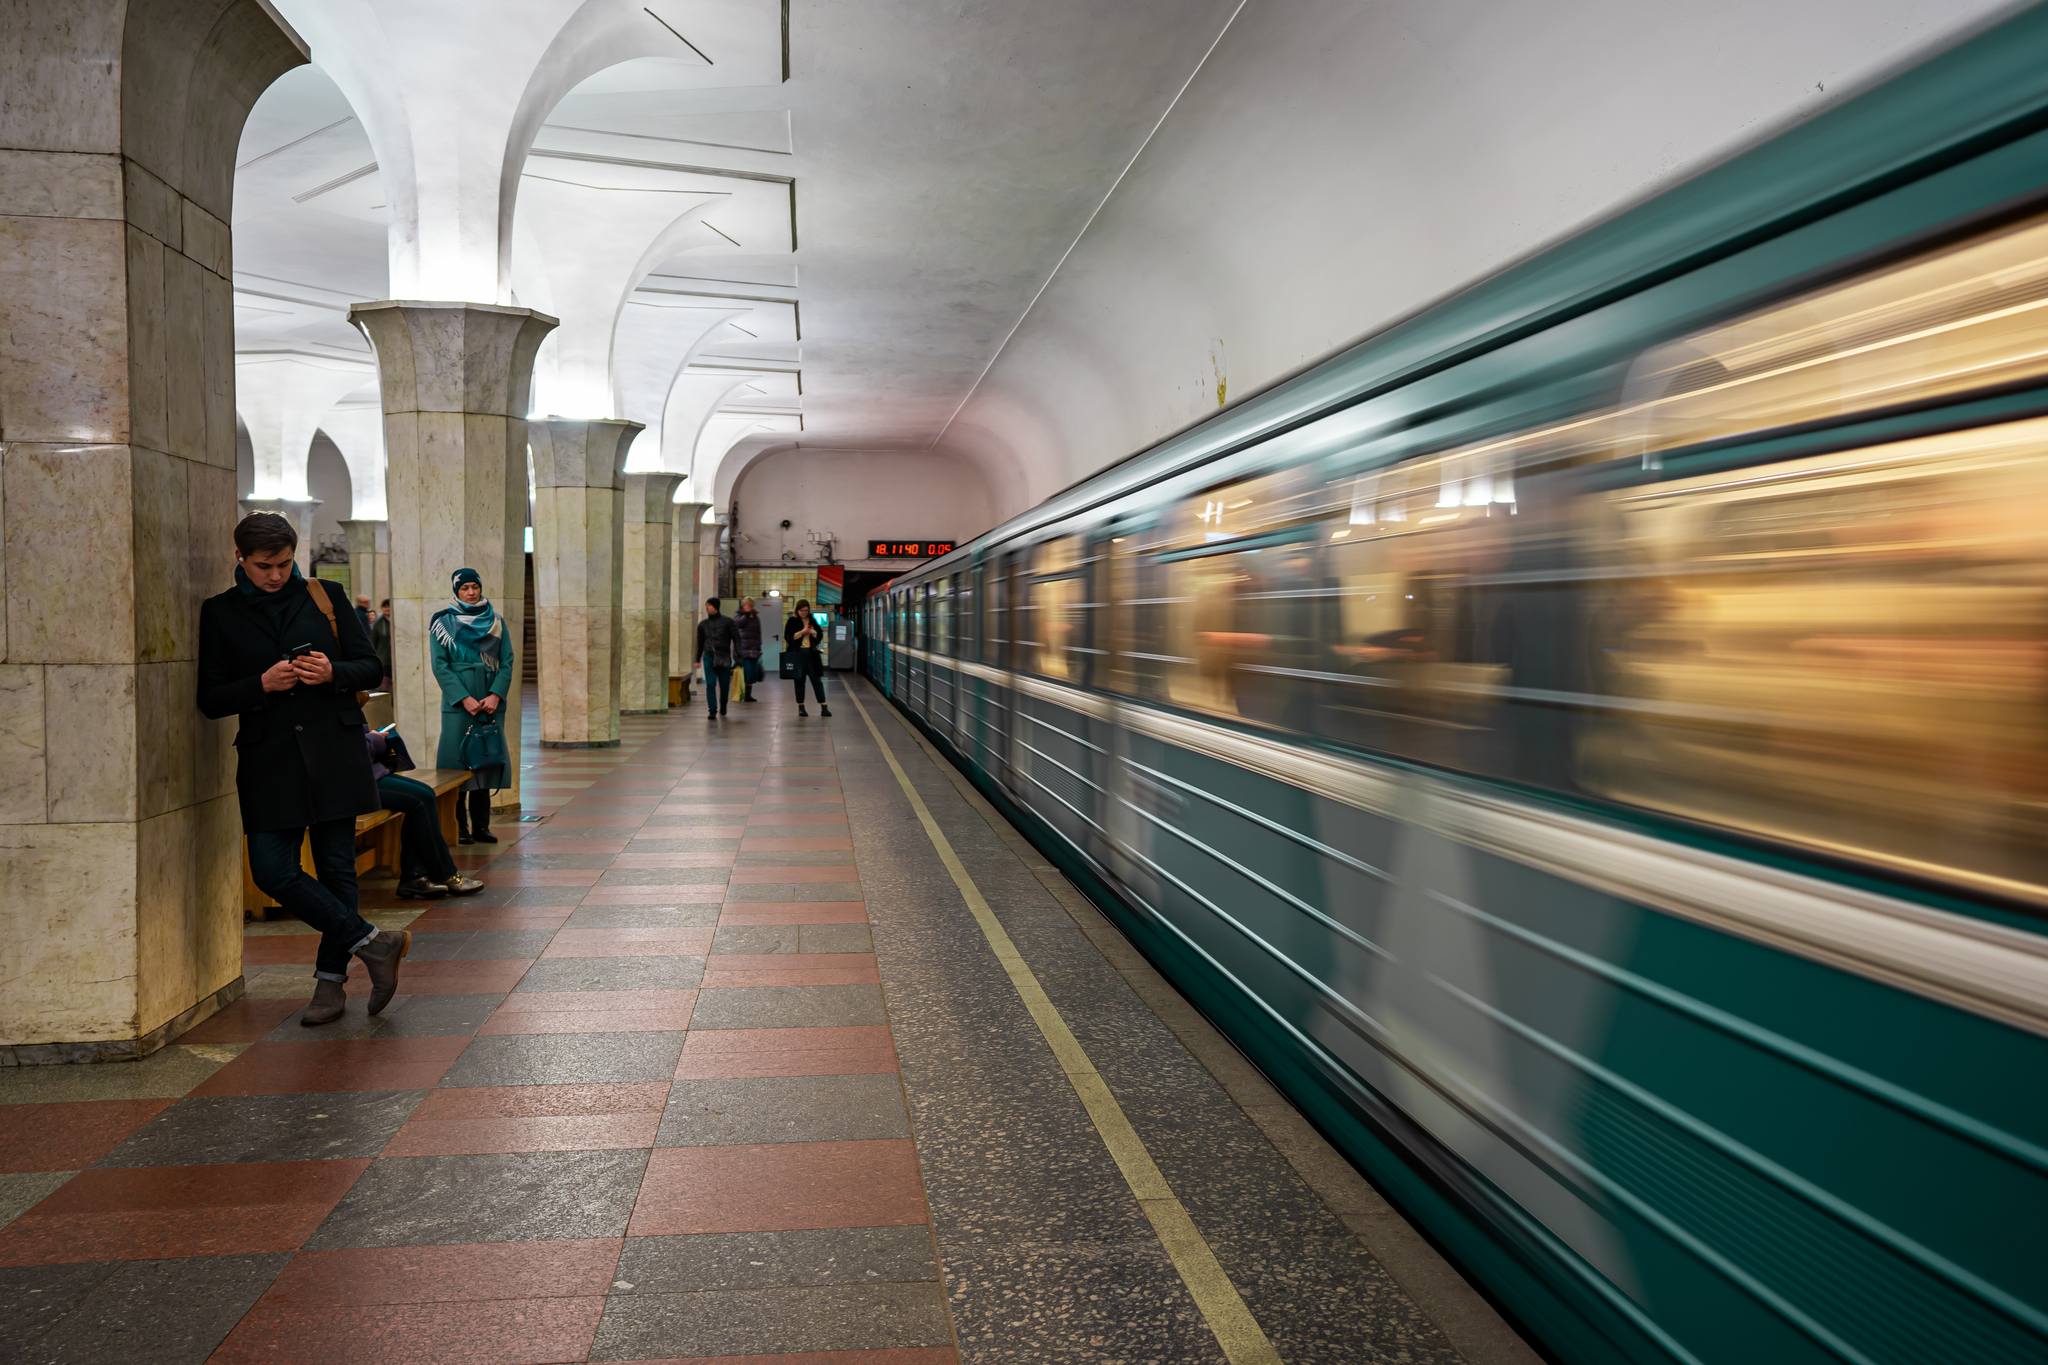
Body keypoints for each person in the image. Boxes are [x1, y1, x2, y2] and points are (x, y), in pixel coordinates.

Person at [197, 512, 410, 1027]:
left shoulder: (325, 596)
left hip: (334, 751)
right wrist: (261, 684)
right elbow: (209, 698)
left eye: (285, 563)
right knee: (273, 870)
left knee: (337, 868)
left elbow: (370, 667)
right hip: (269, 759)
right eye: (264, 566)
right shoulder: (220, 613)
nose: (275, 575)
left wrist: (332, 671)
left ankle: (330, 986)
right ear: (240, 559)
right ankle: (374, 943)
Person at [431, 568, 513, 844]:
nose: (471, 592)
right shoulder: (443, 623)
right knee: (457, 765)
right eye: (464, 588)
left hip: (489, 704)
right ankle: (458, 827)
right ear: (456, 591)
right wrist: (463, 697)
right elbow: (440, 665)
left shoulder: (496, 622)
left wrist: (495, 695)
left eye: (474, 587)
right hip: (459, 705)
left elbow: (507, 661)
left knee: (485, 761)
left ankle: (481, 827)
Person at [367, 728, 484, 899]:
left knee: (426, 793)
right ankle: (444, 874)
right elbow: (349, 750)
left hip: (369, 773)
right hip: (353, 781)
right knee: (419, 799)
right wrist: (374, 739)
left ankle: (415, 876)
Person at [696, 596, 741, 718]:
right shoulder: (703, 625)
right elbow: (700, 642)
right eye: (706, 605)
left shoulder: (728, 622)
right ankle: (712, 710)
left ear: (716, 607)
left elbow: (736, 639)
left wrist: (739, 657)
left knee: (724, 684)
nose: (707, 607)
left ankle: (723, 704)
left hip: (723, 656)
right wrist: (697, 659)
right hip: (709, 656)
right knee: (710, 684)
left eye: (709, 605)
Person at [785, 598, 830, 717]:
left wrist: (813, 632)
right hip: (798, 655)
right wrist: (802, 632)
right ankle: (801, 707)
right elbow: (788, 637)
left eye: (806, 610)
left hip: (812, 655)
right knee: (799, 681)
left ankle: (824, 706)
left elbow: (819, 635)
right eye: (801, 611)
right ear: (797, 610)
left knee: (817, 681)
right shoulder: (792, 621)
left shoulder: (812, 619)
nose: (804, 613)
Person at [735, 596, 764, 703]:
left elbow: (758, 633)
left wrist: (759, 648)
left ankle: (748, 695)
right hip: (743, 649)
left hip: (754, 649)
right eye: (747, 605)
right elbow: (739, 624)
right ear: (743, 605)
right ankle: (741, 693)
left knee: (752, 673)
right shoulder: (738, 614)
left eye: (751, 605)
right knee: (745, 672)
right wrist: (746, 614)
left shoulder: (755, 616)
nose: (749, 607)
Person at [371, 599, 392, 689]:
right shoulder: (378, 624)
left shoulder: (398, 621)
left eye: (389, 606)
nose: (387, 608)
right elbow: (373, 642)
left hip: (398, 659)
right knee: (384, 686)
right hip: (384, 659)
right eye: (385, 606)